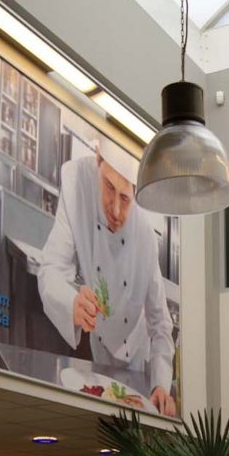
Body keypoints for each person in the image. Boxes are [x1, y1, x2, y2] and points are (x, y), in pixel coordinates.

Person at [38, 140, 177, 416]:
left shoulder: (145, 236)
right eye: (109, 187)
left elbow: (160, 323)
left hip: (139, 357)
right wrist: (71, 301)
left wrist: (161, 384)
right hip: (99, 350)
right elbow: (51, 269)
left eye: (124, 198)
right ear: (98, 160)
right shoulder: (76, 184)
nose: (114, 210)